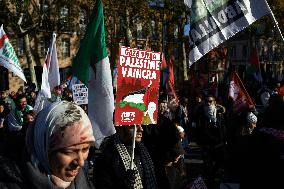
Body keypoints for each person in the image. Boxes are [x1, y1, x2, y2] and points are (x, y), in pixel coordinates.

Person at [0, 101, 96, 189]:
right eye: (69, 151)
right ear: (43, 146)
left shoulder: (81, 178)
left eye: (85, 149)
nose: (81, 162)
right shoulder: (8, 183)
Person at [93, 125, 157, 189]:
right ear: (120, 129)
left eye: (140, 125)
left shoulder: (144, 150)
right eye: (133, 126)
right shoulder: (107, 156)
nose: (141, 129)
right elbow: (101, 184)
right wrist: (121, 184)